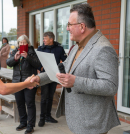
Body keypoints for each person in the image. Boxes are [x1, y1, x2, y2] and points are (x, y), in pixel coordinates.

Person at [29, 4, 120, 134]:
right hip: (79, 120)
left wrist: (75, 81)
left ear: (82, 26)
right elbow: (63, 68)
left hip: (92, 123)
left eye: (69, 25)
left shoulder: (103, 48)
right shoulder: (78, 45)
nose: (67, 28)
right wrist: (38, 78)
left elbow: (110, 86)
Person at [7, 35, 41, 134]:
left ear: (28, 43)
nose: (22, 44)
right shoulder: (15, 51)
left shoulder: (32, 52)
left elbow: (38, 64)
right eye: (20, 43)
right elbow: (8, 63)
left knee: (30, 103)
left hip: (29, 81)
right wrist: (15, 58)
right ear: (18, 44)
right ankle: (23, 122)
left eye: (24, 43)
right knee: (20, 103)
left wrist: (28, 57)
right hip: (17, 81)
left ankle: (30, 125)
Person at [37, 32, 67, 127]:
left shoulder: (59, 49)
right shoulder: (40, 49)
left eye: (45, 38)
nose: (43, 40)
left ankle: (48, 116)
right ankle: (42, 118)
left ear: (51, 39)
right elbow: (36, 62)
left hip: (55, 75)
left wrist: (61, 68)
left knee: (50, 97)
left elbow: (65, 61)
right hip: (45, 76)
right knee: (44, 97)